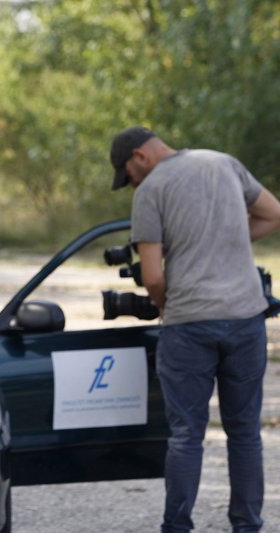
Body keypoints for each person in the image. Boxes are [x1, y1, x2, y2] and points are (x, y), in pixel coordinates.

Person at [110, 125, 280, 532]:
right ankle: (247, 524)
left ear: (139, 157)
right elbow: (274, 213)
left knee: (187, 435)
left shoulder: (151, 191)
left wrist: (167, 305)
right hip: (245, 319)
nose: (132, 182)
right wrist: (232, 242)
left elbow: (152, 277)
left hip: (189, 326)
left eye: (128, 174)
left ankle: (178, 527)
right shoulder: (224, 163)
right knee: (244, 432)